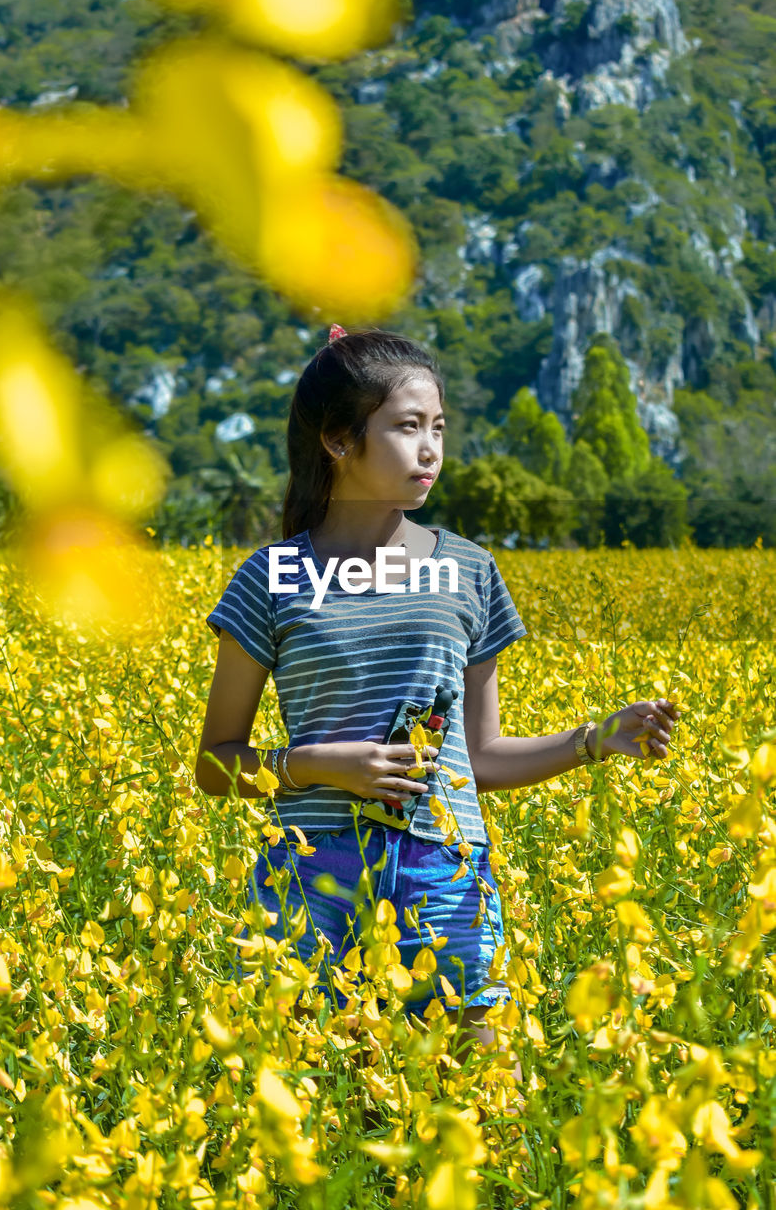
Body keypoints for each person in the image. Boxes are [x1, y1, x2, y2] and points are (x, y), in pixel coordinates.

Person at [194, 326, 681, 1079]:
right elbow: (213, 766)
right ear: (337, 441)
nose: (430, 449)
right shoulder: (270, 578)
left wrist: (595, 738)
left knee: (478, 1099)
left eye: (438, 429)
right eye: (406, 427)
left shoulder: (467, 570)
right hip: (312, 875)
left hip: (444, 869)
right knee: (327, 1108)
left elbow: (477, 760)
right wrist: (316, 766)